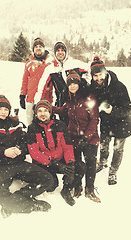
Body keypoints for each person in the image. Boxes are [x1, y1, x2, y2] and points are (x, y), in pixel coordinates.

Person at [0, 95, 54, 217]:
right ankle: (30, 205)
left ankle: (16, 199)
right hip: (0, 166)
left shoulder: (17, 124)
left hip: (19, 164)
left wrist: (19, 149)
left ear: (9, 111)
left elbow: (28, 143)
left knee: (47, 179)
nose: (3, 112)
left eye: (6, 109)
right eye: (0, 109)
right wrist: (3, 152)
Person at [26, 99, 86, 206]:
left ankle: (66, 190)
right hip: (44, 163)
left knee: (80, 167)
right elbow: (34, 153)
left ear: (50, 112)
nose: (43, 114)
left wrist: (70, 165)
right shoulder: (32, 128)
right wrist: (52, 163)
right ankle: (51, 179)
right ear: (36, 113)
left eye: (45, 110)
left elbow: (67, 147)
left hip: (60, 159)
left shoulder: (60, 125)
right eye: (39, 111)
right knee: (51, 186)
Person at [53, 70, 101, 203]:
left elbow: (94, 119)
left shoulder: (89, 97)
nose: (72, 86)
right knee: (76, 162)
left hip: (90, 137)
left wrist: (86, 138)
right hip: (74, 136)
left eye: (75, 83)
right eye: (70, 84)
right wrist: (47, 107)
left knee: (91, 161)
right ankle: (77, 185)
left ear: (79, 84)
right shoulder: (69, 99)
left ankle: (89, 189)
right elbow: (62, 110)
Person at [89, 57, 131, 185]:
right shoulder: (94, 87)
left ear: (106, 72)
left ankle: (113, 172)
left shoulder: (119, 87)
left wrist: (112, 111)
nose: (98, 78)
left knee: (118, 149)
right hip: (106, 123)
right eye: (95, 76)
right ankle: (102, 163)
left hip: (122, 123)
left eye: (100, 74)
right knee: (103, 146)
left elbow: (127, 109)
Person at [40, 41, 88, 124]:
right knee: (65, 128)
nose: (60, 52)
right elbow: (41, 86)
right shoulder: (50, 69)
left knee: (81, 126)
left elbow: (90, 71)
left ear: (66, 52)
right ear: (55, 53)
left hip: (79, 102)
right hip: (62, 103)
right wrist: (38, 102)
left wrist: (84, 84)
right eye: (58, 51)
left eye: (62, 50)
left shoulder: (74, 63)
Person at [19, 37, 54, 126]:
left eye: (40, 46)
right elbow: (25, 81)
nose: (38, 48)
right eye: (36, 47)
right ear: (33, 49)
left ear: (44, 48)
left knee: (47, 124)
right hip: (31, 98)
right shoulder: (29, 63)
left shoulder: (50, 63)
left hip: (46, 99)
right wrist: (22, 95)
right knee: (31, 123)